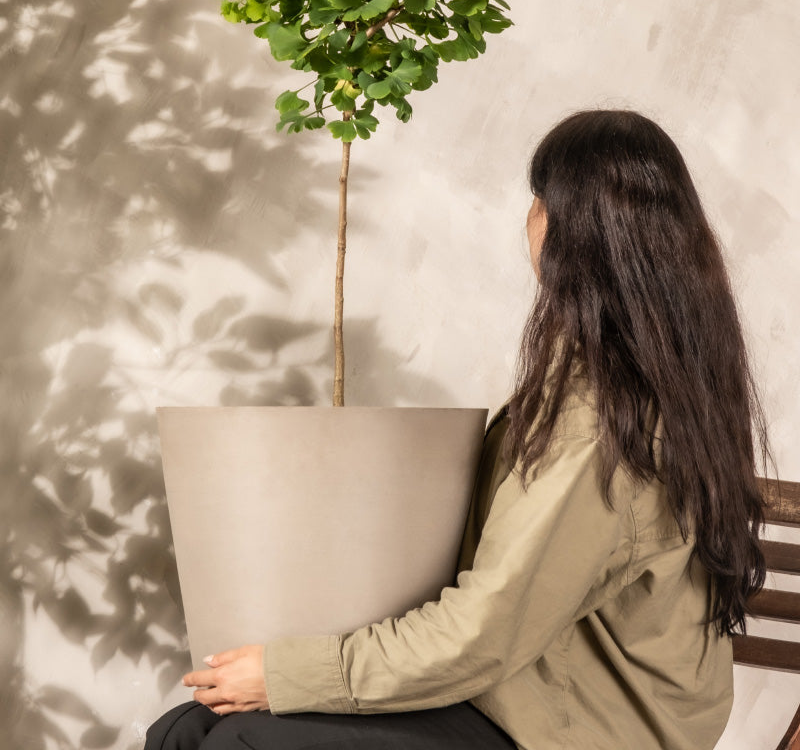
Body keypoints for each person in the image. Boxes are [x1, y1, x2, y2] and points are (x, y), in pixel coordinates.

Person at [145, 109, 768, 750]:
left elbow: (485, 633)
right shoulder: (646, 372)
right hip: (533, 690)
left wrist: (287, 674)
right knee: (187, 728)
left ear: (563, 230)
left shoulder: (598, 423)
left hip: (574, 725)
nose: (529, 218)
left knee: (229, 741)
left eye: (539, 200)